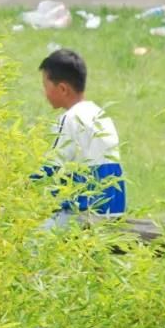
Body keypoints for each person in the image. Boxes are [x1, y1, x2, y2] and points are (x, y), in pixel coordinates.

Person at [34, 49, 126, 229]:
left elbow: (51, 169)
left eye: (45, 86)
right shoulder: (100, 115)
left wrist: (18, 189)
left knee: (28, 240)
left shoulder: (69, 119)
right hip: (114, 209)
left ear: (62, 89)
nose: (44, 92)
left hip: (86, 213)